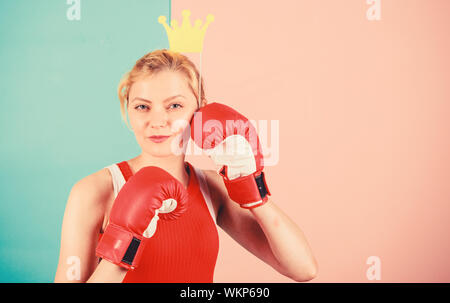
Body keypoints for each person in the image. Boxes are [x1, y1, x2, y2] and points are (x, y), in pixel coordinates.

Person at [54, 49, 318, 283]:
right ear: (128, 111)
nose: (158, 120)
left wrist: (253, 190)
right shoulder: (95, 191)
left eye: (175, 105)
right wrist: (123, 246)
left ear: (200, 111)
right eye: (142, 106)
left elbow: (303, 269)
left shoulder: (212, 187)